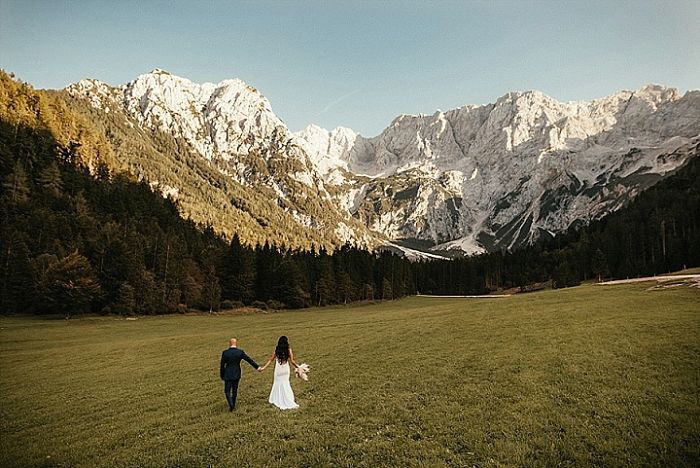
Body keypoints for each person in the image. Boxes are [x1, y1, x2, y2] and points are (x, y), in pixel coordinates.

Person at [219, 337, 262, 411]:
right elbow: (249, 360)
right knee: (235, 390)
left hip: (228, 374)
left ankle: (231, 404)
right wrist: (257, 367)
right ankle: (233, 404)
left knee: (227, 391)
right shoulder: (240, 352)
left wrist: (222, 375)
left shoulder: (225, 353)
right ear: (236, 344)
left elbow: (222, 365)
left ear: (229, 344)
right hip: (237, 373)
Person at [259, 336, 300, 410]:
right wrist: (298, 367)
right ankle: (288, 399)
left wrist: (263, 368)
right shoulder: (288, 350)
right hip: (285, 370)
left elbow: (271, 360)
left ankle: (277, 398)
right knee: (286, 383)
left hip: (278, 370)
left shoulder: (277, 350)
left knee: (277, 383)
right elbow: (292, 361)